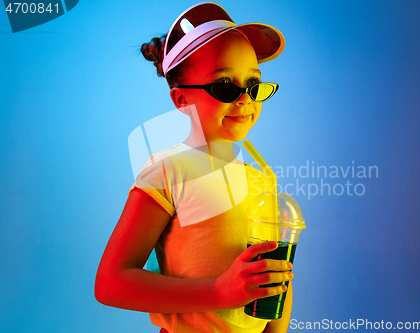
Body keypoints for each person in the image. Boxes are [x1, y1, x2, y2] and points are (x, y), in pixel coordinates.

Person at [95, 3, 292, 332]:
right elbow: (110, 283)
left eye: (254, 84)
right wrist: (218, 292)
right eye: (226, 86)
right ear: (181, 99)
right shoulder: (168, 171)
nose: (244, 99)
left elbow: (275, 283)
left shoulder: (262, 180)